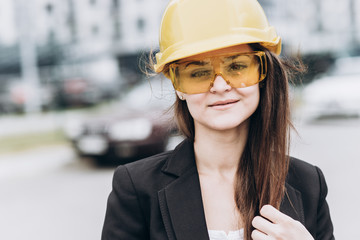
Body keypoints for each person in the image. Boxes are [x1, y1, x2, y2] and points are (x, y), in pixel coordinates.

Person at [101, 0, 335, 239]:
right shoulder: (136, 187)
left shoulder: (308, 183)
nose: (220, 86)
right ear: (177, 86)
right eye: (199, 73)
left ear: (262, 74)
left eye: (236, 67)